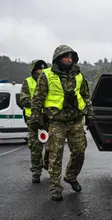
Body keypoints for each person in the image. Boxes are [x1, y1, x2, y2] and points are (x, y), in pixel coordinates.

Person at [29, 45, 94, 201]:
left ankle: (71, 176)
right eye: (66, 57)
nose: (69, 60)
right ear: (58, 59)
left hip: (75, 119)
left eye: (71, 57)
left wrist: (90, 113)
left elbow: (86, 96)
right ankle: (55, 187)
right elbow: (38, 98)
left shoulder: (79, 75)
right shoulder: (46, 75)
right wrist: (36, 118)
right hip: (56, 120)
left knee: (79, 151)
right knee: (55, 155)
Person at [20, 59, 49, 183]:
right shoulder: (28, 82)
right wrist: (36, 103)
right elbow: (24, 100)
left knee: (53, 147)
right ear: (34, 70)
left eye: (43, 69)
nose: (41, 72)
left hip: (48, 118)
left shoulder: (50, 81)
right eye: (38, 69)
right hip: (33, 120)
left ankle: (48, 165)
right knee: (35, 148)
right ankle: (36, 172)